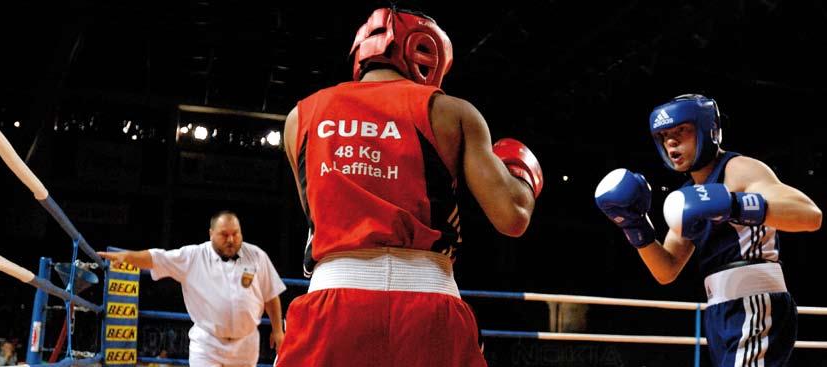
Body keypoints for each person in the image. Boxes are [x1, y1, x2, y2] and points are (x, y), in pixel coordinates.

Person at [275, 7, 543, 367]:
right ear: (428, 52)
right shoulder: (451, 112)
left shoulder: (300, 118)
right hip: (428, 302)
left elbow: (316, 213)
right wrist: (521, 173)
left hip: (333, 301)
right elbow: (513, 217)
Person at [595, 94, 822, 366]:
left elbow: (810, 215)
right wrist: (635, 226)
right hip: (720, 310)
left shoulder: (739, 169)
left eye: (682, 131)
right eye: (664, 135)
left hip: (756, 301)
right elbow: (666, 270)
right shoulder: (687, 196)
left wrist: (733, 204)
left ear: (708, 130)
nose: (671, 142)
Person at [98, 211, 287, 367]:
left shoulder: (257, 255)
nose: (231, 239)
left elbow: (271, 294)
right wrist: (127, 257)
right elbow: (157, 257)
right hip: (208, 344)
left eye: (235, 233)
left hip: (246, 343)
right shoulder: (193, 256)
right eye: (224, 234)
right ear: (211, 234)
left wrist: (278, 330)